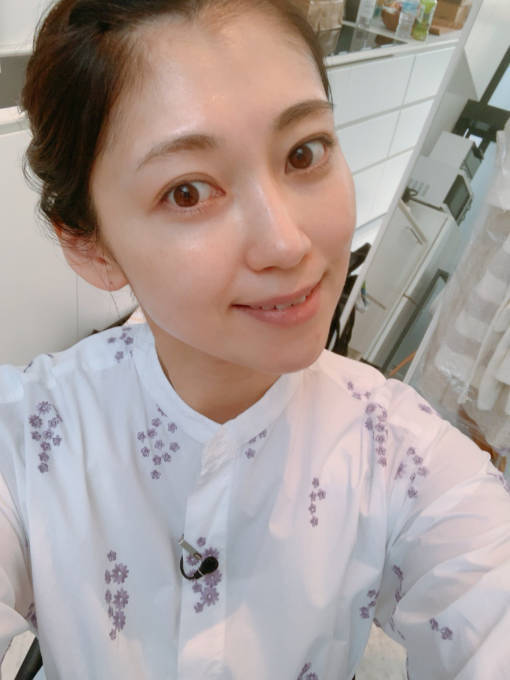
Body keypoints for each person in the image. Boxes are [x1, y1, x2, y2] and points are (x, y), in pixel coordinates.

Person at [1, 0, 509, 678]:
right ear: (90, 244)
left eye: (303, 153)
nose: (286, 243)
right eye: (188, 192)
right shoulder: (31, 435)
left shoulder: (400, 455)